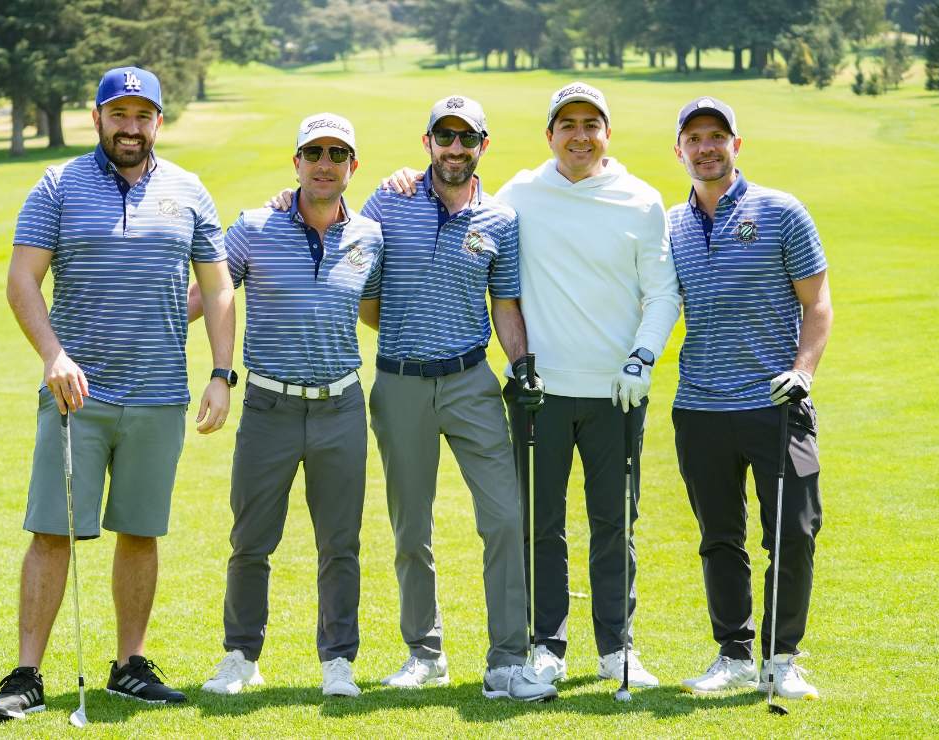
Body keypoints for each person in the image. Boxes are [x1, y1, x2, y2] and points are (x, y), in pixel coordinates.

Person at [380, 82, 680, 689]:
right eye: (566, 124)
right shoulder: (519, 195)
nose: (579, 135)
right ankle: (545, 644)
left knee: (614, 524)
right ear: (549, 135)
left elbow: (661, 291)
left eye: (590, 124)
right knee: (538, 524)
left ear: (606, 134)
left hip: (617, 390)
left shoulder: (642, 201)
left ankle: (616, 647)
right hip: (540, 392)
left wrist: (643, 359)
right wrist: (398, 179)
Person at [269, 95, 556, 702]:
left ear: (483, 146)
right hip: (399, 383)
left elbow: (504, 304)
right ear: (427, 142)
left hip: (473, 382)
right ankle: (425, 653)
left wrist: (522, 364)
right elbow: (358, 278)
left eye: (466, 139)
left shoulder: (499, 220)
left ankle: (507, 659)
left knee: (504, 518)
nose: (455, 149)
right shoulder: (388, 202)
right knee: (410, 527)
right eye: (444, 137)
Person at [0, 66, 236, 722]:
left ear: (158, 120)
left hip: (158, 396)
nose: (130, 126)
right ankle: (26, 675)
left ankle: (130, 666)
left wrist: (220, 373)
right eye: (118, 114)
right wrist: (53, 355)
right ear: (97, 117)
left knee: (141, 531)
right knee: (51, 532)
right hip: (76, 394)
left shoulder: (188, 190)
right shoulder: (58, 185)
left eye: (142, 114)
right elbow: (21, 280)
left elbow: (216, 286)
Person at [193, 113, 382, 699]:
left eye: (337, 153)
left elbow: (375, 310)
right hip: (270, 407)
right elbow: (207, 293)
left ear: (353, 166)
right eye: (313, 152)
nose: (324, 163)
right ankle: (242, 656)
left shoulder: (370, 237)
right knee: (251, 539)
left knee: (340, 543)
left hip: (341, 407)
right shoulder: (253, 227)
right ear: (295, 161)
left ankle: (338, 662)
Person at [667, 97, 832, 700]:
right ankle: (734, 653)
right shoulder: (672, 224)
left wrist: (803, 372)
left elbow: (817, 303)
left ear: (738, 145)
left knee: (794, 530)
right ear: (678, 149)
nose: (706, 147)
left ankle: (782, 657)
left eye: (717, 136)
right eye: (694, 138)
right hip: (700, 407)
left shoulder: (782, 212)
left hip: (777, 405)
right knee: (719, 536)